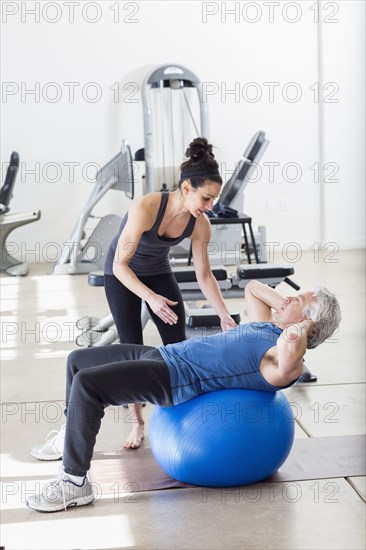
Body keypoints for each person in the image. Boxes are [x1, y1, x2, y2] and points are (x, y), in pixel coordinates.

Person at [27, 280, 341, 512]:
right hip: (164, 355)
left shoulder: (280, 360)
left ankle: (74, 482)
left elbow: (291, 353)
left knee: (88, 385)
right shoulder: (267, 328)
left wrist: (303, 325)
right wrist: (294, 307)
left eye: (297, 298)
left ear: (309, 324)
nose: (286, 296)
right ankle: (70, 435)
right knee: (78, 361)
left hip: (174, 379)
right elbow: (253, 288)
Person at [103, 136, 236, 448]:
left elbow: (204, 275)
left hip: (158, 271)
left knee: (178, 345)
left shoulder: (200, 224)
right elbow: (122, 264)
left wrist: (224, 315)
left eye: (214, 200)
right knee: (132, 346)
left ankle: (183, 411)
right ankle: (137, 424)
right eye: (206, 198)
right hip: (120, 273)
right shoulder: (146, 207)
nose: (210, 206)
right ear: (186, 188)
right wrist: (149, 297)